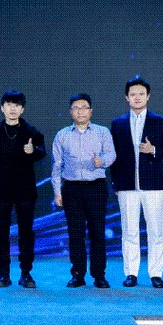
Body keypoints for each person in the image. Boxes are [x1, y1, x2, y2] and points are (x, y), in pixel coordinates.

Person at [110, 77, 163, 289]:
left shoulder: (160, 121)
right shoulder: (118, 123)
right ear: (126, 98)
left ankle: (156, 273)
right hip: (126, 185)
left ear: (148, 96)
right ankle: (131, 273)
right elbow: (113, 156)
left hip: (153, 185)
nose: (137, 97)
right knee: (129, 230)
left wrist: (152, 150)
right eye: (133, 94)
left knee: (156, 231)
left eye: (141, 94)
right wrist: (115, 183)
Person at [51, 93, 116, 288]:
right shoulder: (62, 135)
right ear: (71, 112)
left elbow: (111, 154)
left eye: (84, 107)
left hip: (96, 187)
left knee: (97, 232)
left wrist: (101, 161)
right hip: (71, 189)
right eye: (76, 108)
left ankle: (99, 275)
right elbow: (56, 166)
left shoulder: (102, 132)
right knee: (75, 234)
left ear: (91, 111)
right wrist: (57, 192)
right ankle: (78, 274)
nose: (80, 111)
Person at [0, 90, 47, 289]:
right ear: (2, 108)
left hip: (25, 190)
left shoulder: (31, 131)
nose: (13, 109)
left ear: (22, 109)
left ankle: (26, 273)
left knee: (26, 232)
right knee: (1, 232)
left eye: (17, 105)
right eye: (9, 105)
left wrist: (32, 151)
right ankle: (3, 273)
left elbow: (42, 152)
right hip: (1, 190)